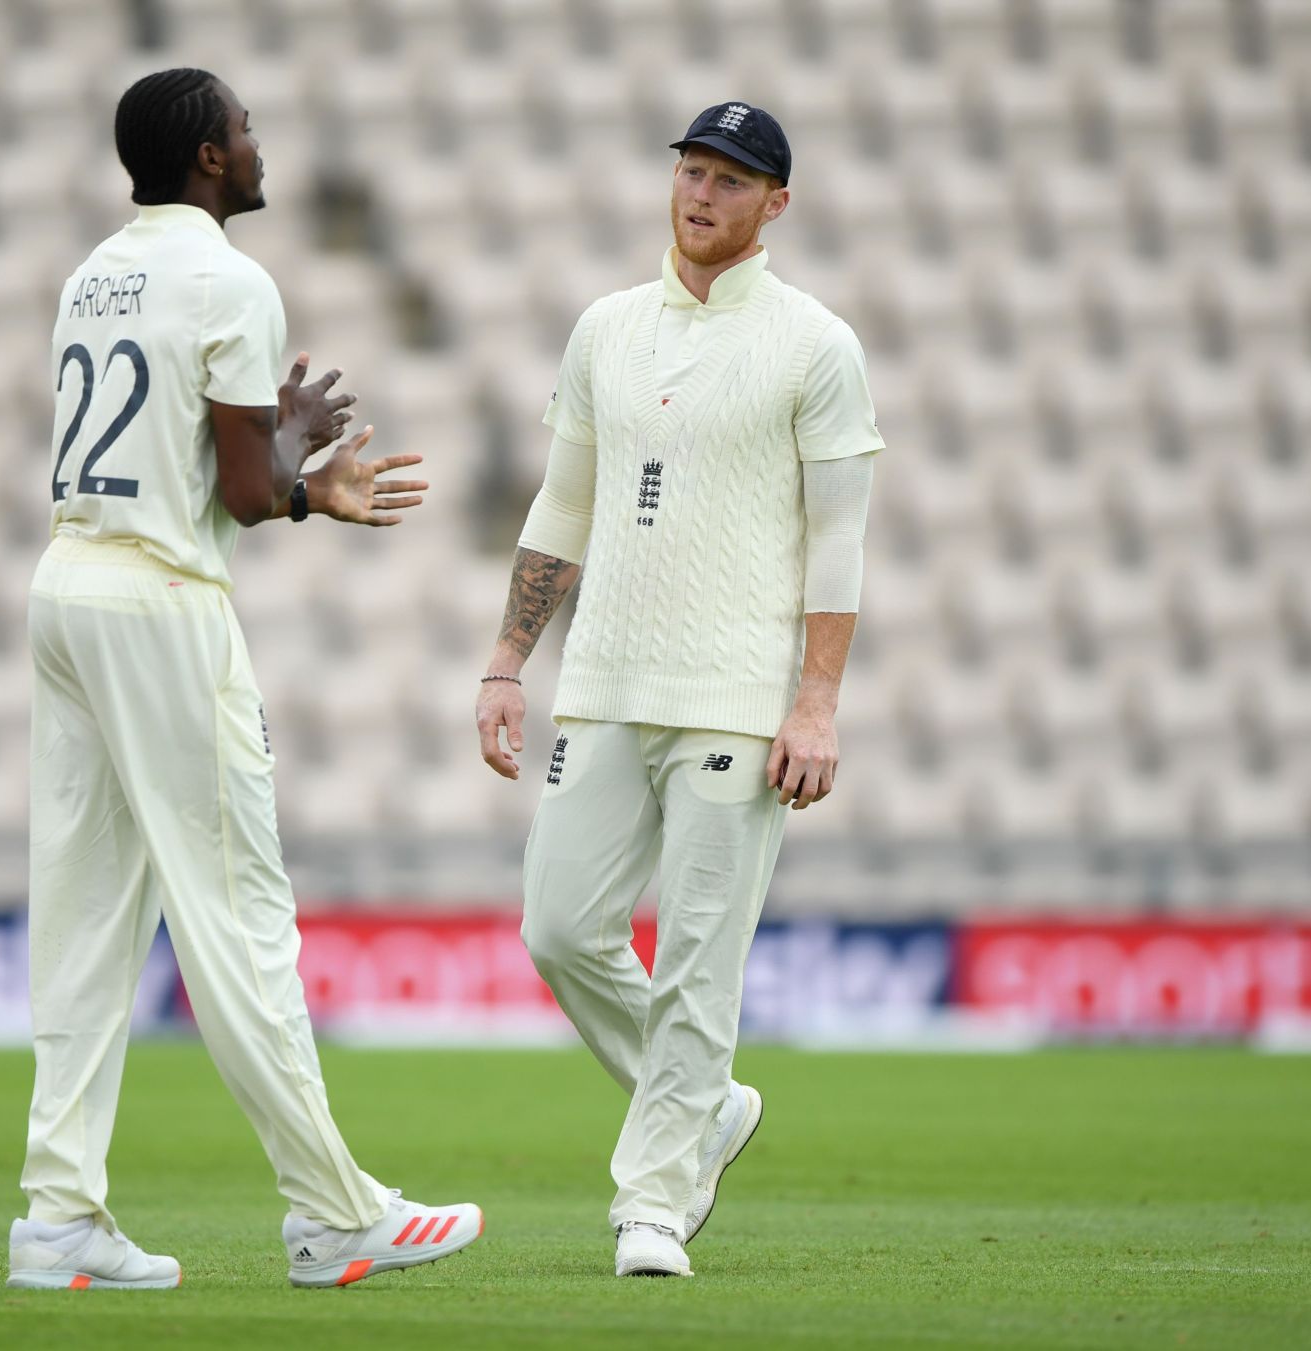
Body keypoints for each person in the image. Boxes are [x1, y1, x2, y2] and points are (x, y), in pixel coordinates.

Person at [8, 67, 481, 1292]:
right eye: (246, 128)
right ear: (210, 158)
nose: (259, 144)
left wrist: (271, 427)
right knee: (239, 917)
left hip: (66, 586)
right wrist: (304, 478)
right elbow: (236, 494)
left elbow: (175, 437)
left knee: (85, 917)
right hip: (164, 605)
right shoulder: (231, 278)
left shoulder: (93, 270)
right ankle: (334, 1216)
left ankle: (58, 1215)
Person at [474, 101, 884, 1278]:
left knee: (702, 955)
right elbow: (563, 506)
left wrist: (815, 704)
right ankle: (707, 1107)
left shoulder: (816, 343)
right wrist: (507, 662)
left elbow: (837, 544)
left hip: (738, 698)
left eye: (731, 179)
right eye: (691, 171)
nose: (701, 193)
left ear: (776, 205)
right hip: (602, 679)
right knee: (558, 927)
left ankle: (652, 1203)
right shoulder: (606, 327)